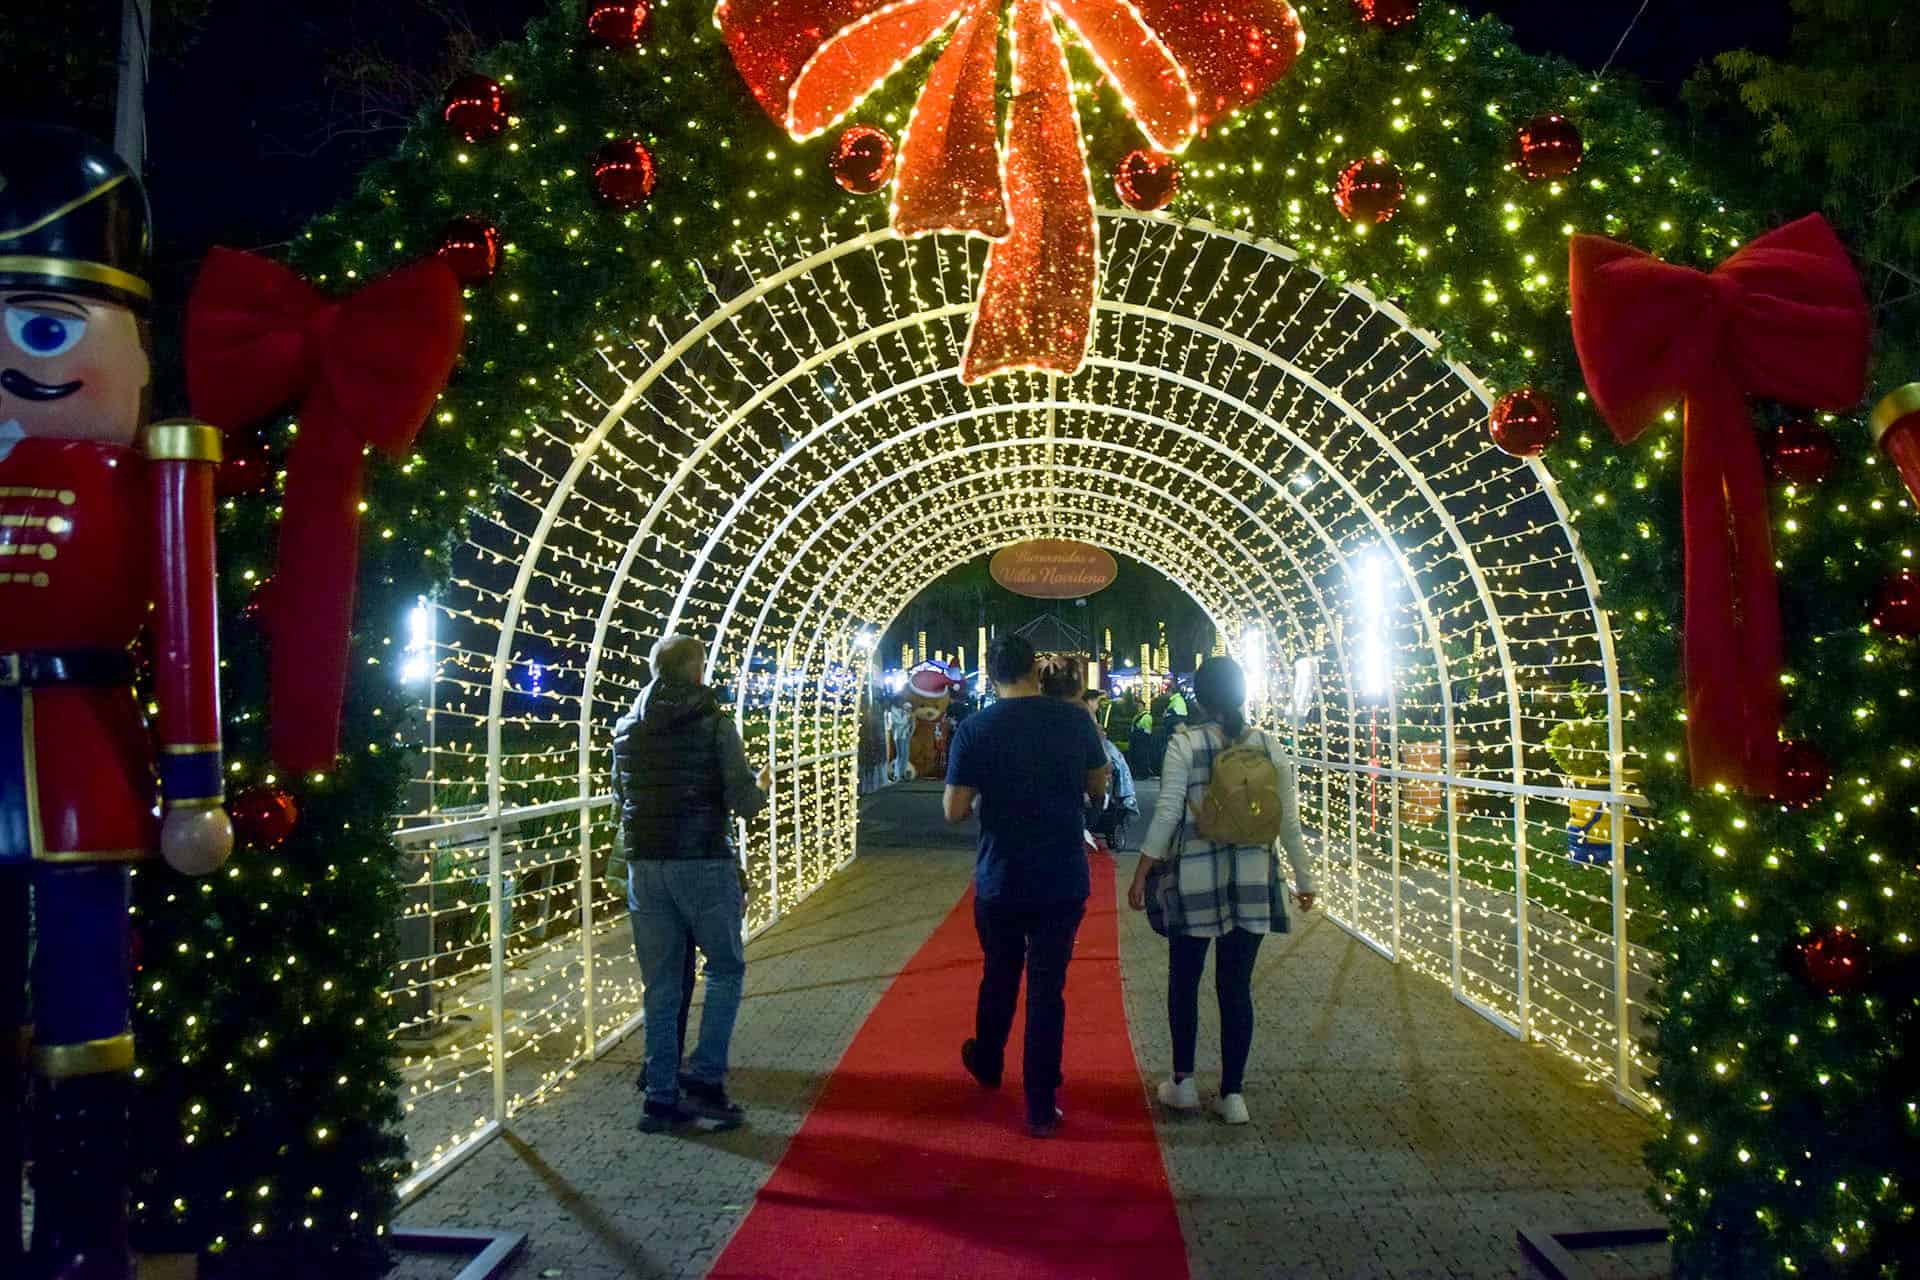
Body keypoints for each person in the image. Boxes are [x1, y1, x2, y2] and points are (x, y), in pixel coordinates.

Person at [1126, 656, 1316, 1127]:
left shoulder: (1185, 743)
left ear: (1200, 697)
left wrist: (1142, 871)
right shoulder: (1269, 746)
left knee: (1184, 981)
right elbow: (1288, 821)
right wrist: (1305, 879)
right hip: (1254, 880)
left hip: (1195, 878)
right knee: (1236, 988)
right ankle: (1232, 1094)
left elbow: (1168, 813)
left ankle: (1183, 1083)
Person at [945, 638, 1109, 1138]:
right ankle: (1040, 1104)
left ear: (991, 675)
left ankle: (989, 1061)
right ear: (1034, 671)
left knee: (999, 973)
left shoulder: (976, 728)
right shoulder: (1076, 721)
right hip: (1061, 876)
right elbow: (1098, 787)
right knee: (1046, 989)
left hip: (1001, 875)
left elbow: (954, 810)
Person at [613, 634, 770, 1133]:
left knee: (661, 984)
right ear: (697, 669)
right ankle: (705, 1079)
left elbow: (620, 795)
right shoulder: (716, 725)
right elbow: (743, 801)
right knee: (724, 968)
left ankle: (660, 1096)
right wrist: (761, 787)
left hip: (645, 866)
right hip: (703, 860)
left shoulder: (626, 729)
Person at [1081, 690, 1138, 849]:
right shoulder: (1086, 716)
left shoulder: (1081, 714)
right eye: (1097, 702)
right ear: (1090, 701)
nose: (1098, 705)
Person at [885, 698, 914, 780]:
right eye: (900, 701)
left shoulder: (903, 711)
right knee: (900, 755)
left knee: (906, 755)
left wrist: (909, 728)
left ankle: (903, 773)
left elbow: (910, 723)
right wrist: (907, 720)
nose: (901, 703)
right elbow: (897, 722)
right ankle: (896, 774)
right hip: (898, 736)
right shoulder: (892, 711)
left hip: (905, 735)